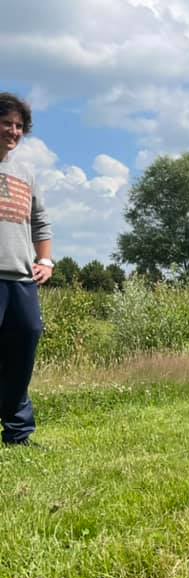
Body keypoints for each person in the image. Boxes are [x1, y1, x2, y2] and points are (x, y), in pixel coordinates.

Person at [0, 92, 54, 446]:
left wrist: (45, 260)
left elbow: (41, 221)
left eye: (20, 126)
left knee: (25, 346)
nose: (14, 131)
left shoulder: (26, 173)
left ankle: (18, 433)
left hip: (21, 278)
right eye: (7, 123)